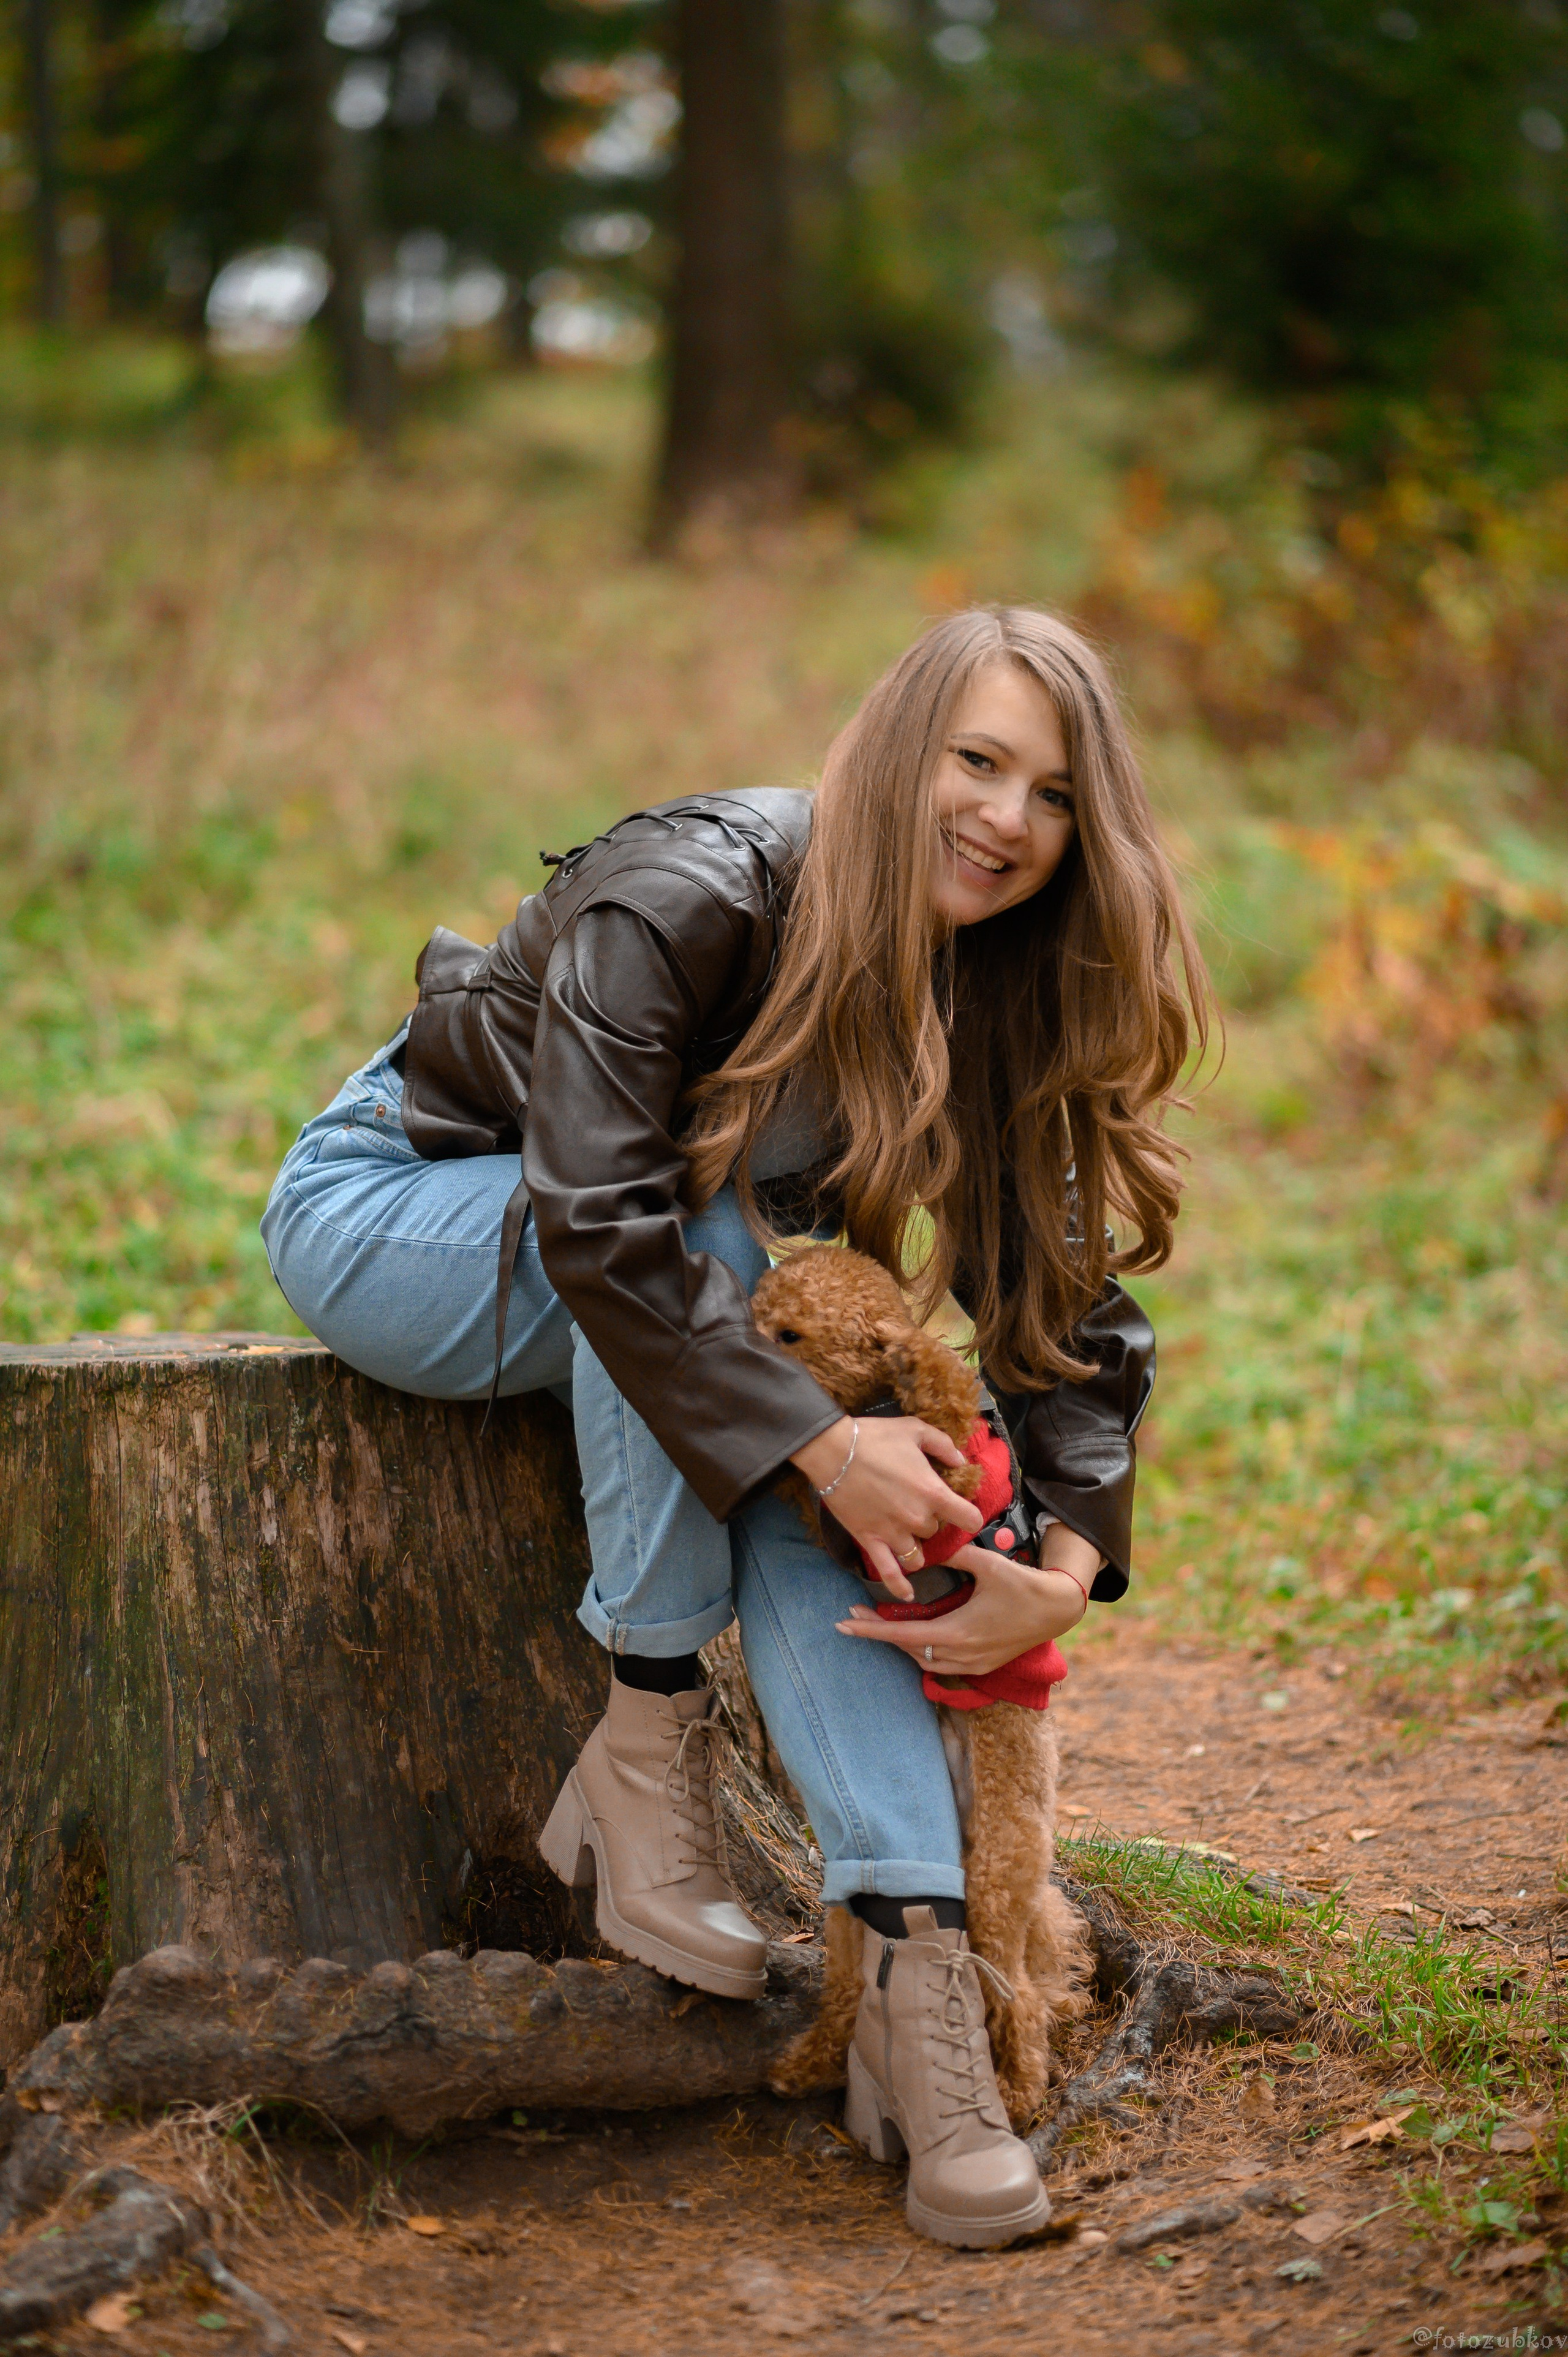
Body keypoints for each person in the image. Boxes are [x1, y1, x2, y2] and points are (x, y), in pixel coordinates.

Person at [260, 605, 1206, 2249]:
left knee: (796, 1428)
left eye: (1055, 795)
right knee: (732, 1313)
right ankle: (644, 1739)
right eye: (977, 764)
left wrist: (1058, 1563)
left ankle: (924, 2004)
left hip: (649, 1272)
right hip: (400, 1213)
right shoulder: (696, 891)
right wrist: (825, 1442)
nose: (1008, 821)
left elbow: (1062, 1301)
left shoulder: (990, 980)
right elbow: (604, 1220)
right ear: (901, 749)